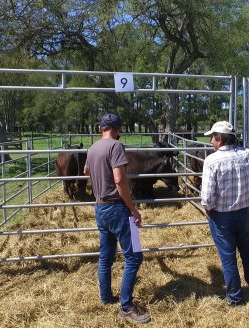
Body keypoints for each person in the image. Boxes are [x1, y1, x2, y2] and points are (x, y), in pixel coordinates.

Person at [84, 113, 151, 324]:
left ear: (100, 128)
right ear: (118, 129)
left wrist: (99, 180)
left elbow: (87, 170)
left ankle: (106, 298)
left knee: (105, 256)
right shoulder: (116, 146)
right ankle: (126, 307)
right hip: (117, 208)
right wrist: (133, 209)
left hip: (100, 207)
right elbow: (120, 180)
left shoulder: (93, 148)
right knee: (134, 257)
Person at [201, 121, 249, 306]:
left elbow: (208, 196)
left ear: (219, 138)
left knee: (227, 256)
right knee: (246, 249)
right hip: (244, 212)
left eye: (212, 137)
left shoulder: (212, 160)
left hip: (222, 216)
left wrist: (208, 209)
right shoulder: (248, 154)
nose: (211, 140)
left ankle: (235, 297)